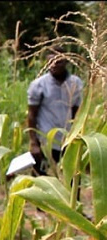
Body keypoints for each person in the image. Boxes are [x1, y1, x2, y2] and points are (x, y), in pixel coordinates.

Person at [27, 46, 83, 176]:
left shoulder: (75, 83)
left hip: (68, 140)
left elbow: (77, 112)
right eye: (50, 62)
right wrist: (34, 143)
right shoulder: (38, 85)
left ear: (66, 62)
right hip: (46, 142)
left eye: (58, 62)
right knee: (41, 178)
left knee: (73, 177)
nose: (53, 66)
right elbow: (31, 115)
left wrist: (77, 135)